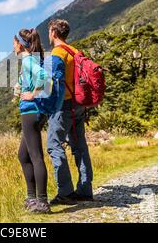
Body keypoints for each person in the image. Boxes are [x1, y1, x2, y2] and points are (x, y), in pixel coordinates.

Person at [46, 19, 94, 205]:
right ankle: (84, 189)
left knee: (53, 145)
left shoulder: (57, 53)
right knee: (80, 147)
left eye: (49, 31)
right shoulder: (74, 51)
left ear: (53, 32)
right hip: (79, 105)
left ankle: (65, 192)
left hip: (63, 106)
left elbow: (51, 83)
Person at [13, 28, 50, 214]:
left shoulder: (28, 60)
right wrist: (21, 86)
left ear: (20, 44)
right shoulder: (31, 60)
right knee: (23, 155)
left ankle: (42, 202)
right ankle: (31, 199)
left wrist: (32, 94)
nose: (12, 47)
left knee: (35, 156)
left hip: (30, 111)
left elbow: (43, 76)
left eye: (13, 43)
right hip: (33, 111)